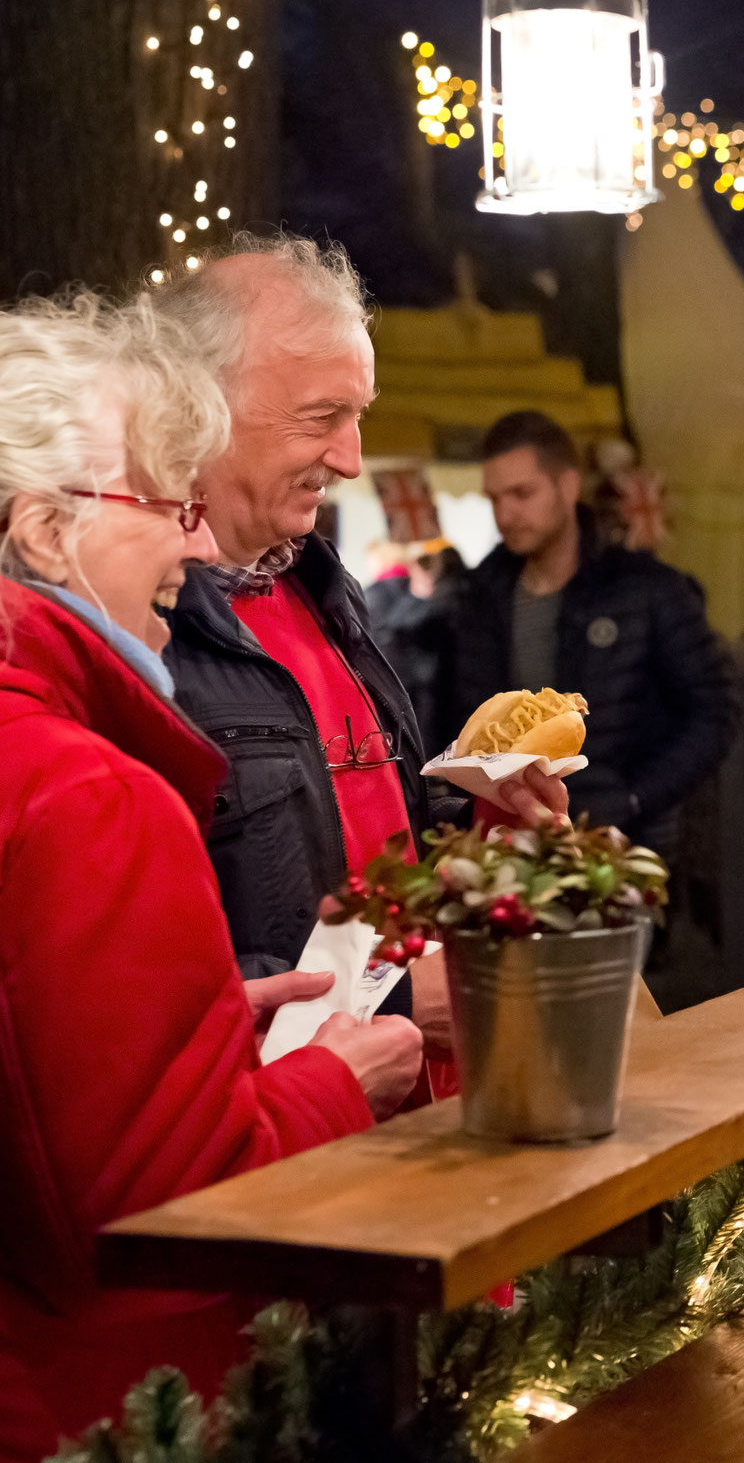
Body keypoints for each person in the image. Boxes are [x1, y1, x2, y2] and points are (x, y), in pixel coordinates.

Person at [0, 295, 421, 1463]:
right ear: (46, 532)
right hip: (110, 1419)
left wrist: (195, 1042)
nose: (193, 549)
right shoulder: (87, 789)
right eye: (164, 505)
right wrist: (339, 1080)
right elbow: (158, 1219)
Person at [151, 235, 566, 1027]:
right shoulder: (136, 626)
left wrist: (482, 830)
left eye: (358, 415)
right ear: (198, 407)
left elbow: (369, 824)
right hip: (293, 1103)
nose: (351, 458)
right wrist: (391, 1000)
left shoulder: (320, 583)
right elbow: (143, 973)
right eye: (323, 417)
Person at [446, 410, 737, 840]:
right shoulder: (482, 596)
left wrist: (636, 798)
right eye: (494, 499)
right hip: (513, 837)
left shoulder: (646, 588)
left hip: (625, 839)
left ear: (568, 486)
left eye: (522, 493)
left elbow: (715, 711)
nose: (505, 514)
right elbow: (463, 718)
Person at [367, 541, 466, 755]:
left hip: (429, 684)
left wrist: (419, 592)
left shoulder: (446, 595)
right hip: (425, 682)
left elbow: (402, 624)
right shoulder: (405, 592)